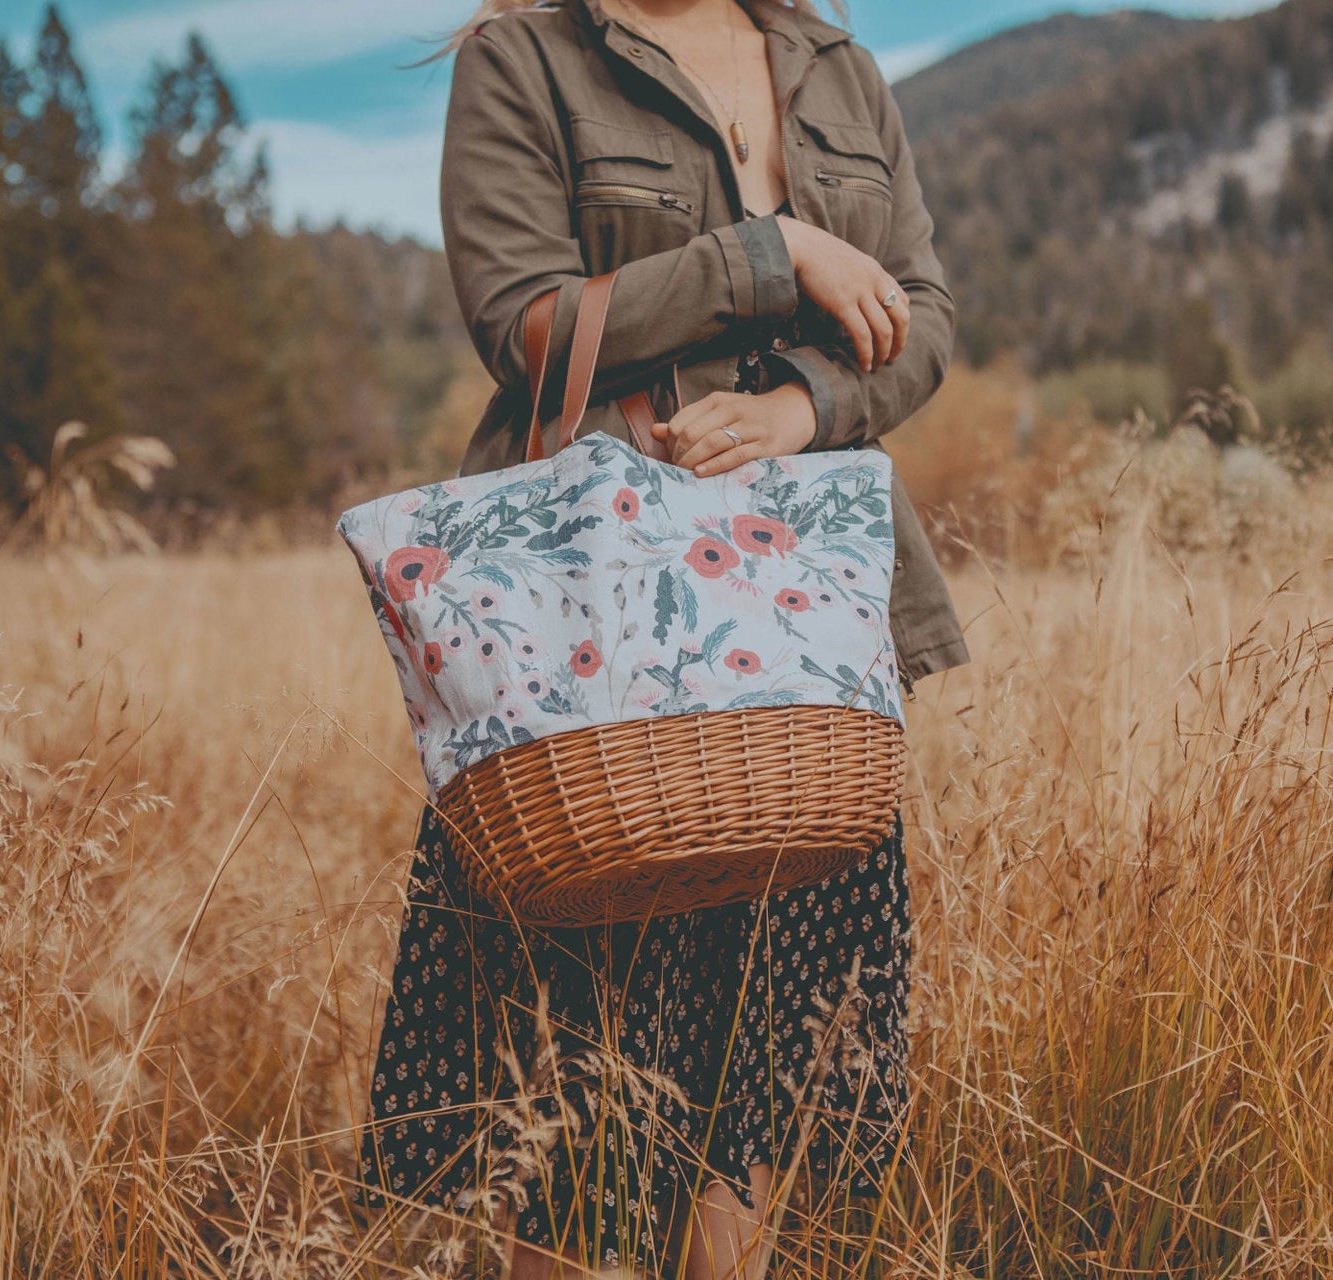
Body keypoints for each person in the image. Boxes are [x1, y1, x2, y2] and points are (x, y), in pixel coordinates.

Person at [353, 1, 970, 1276]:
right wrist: (768, 255)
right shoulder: (526, 60)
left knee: (739, 1106)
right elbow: (524, 327)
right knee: (577, 1107)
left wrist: (808, 407)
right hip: (595, 655)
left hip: (805, 641)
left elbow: (927, 314)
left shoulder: (836, 67)